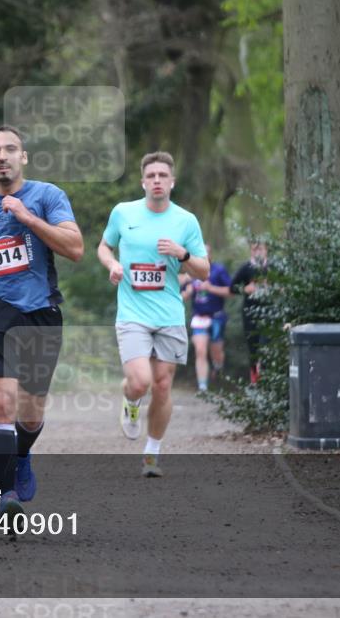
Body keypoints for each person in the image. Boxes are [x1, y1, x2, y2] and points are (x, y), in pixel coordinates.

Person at [0, 125, 83, 527]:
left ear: (23, 157)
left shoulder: (47, 196)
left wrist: (26, 217)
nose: (1, 156)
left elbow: (74, 248)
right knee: (2, 406)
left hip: (40, 311)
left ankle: (22, 456)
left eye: (10, 149)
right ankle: (6, 497)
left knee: (30, 413)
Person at [97, 151, 209, 478]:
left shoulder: (186, 221)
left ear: (172, 182)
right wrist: (113, 264)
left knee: (162, 386)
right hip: (132, 312)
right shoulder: (123, 213)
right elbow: (103, 247)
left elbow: (203, 271)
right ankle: (130, 401)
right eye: (151, 176)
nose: (157, 180)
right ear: (143, 181)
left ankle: (152, 453)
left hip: (170, 314)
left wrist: (182, 253)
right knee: (141, 382)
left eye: (163, 175)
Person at [182, 243, 231, 393]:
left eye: (205, 253)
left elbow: (231, 291)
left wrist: (211, 288)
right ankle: (202, 386)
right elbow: (180, 297)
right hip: (199, 318)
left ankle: (218, 369)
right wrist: (188, 292)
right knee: (201, 350)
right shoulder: (190, 273)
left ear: (210, 255)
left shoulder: (218, 270)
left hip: (216, 317)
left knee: (216, 352)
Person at [231, 240, 269, 384]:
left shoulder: (273, 267)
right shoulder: (246, 268)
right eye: (255, 249)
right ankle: (254, 380)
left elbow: (285, 286)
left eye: (260, 249)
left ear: (266, 250)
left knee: (266, 346)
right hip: (250, 313)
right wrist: (245, 289)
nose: (258, 252)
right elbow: (232, 287)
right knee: (253, 348)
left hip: (269, 313)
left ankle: (266, 380)